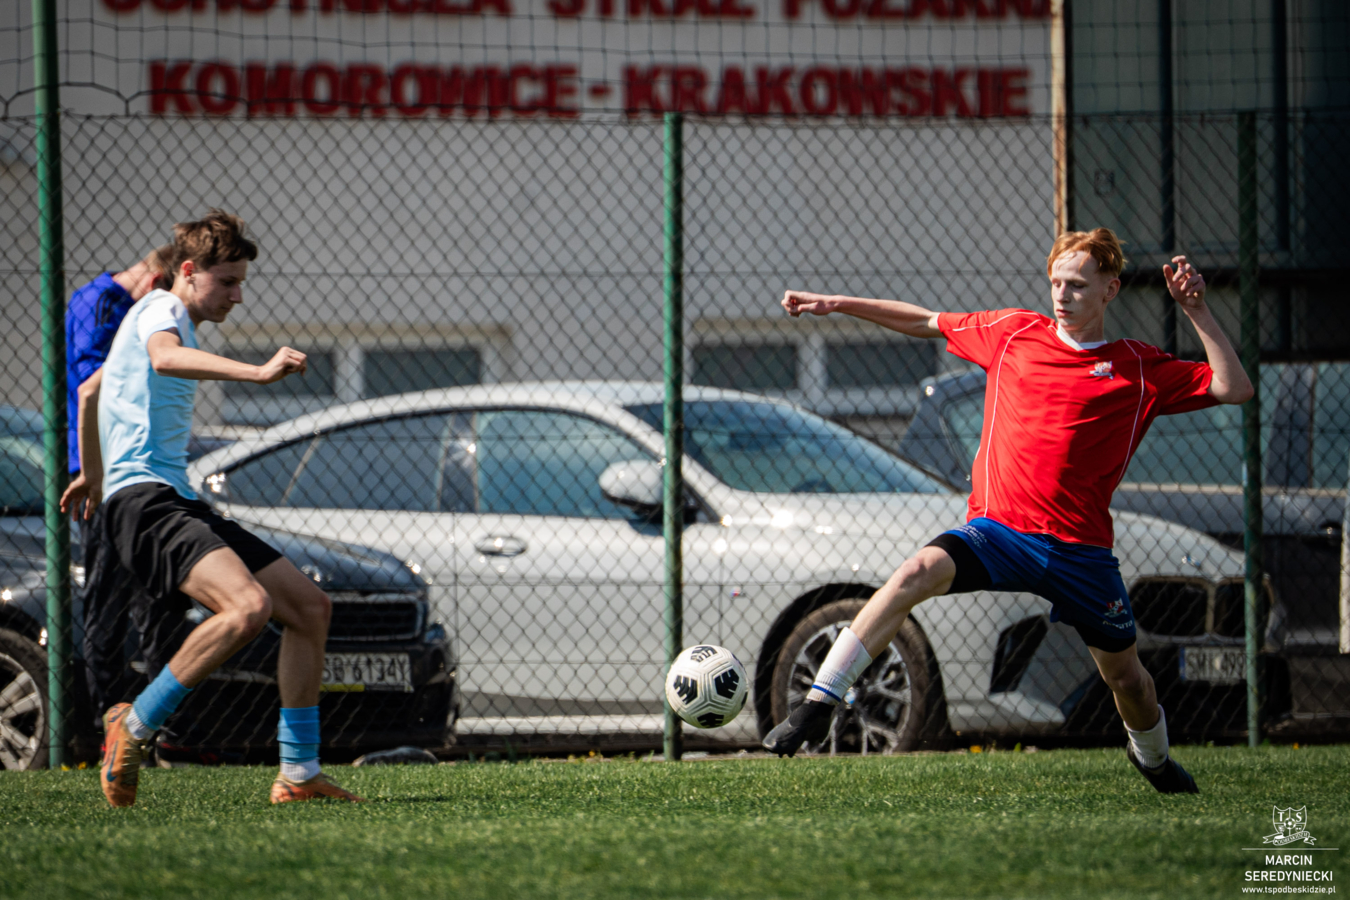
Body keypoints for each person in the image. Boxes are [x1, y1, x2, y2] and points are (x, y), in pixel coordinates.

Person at [766, 228, 1253, 794]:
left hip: (1080, 554)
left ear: (1110, 290)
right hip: (998, 534)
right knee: (913, 573)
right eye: (1056, 282)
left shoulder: (1135, 367)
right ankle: (819, 702)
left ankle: (1153, 759)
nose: (1062, 294)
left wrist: (1196, 310)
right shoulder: (1013, 332)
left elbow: (1233, 388)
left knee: (1128, 681)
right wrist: (837, 304)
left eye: (1077, 285)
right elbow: (925, 321)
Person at [60, 209, 361, 806]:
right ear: (189, 270)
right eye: (227, 282)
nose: (237, 296)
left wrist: (93, 473)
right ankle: (133, 726)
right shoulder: (163, 309)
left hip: (165, 495)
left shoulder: (160, 317)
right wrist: (258, 371)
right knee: (247, 607)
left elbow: (90, 391)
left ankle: (299, 774)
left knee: (308, 607)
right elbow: (165, 358)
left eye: (241, 282)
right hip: (147, 501)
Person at [63, 247, 176, 720]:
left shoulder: (120, 306)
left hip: (137, 468)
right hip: (103, 471)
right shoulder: (102, 304)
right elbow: (90, 381)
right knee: (107, 596)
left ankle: (162, 723)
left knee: (159, 599)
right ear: (155, 283)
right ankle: (105, 718)